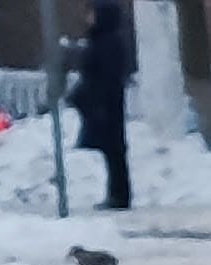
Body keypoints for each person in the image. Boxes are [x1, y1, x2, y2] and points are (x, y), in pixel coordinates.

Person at [72, 0, 132, 212]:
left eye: (92, 13)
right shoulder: (102, 39)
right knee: (112, 151)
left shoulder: (107, 42)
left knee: (114, 151)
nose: (88, 17)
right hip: (104, 102)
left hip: (106, 103)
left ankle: (119, 195)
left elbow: (105, 75)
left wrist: (97, 100)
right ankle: (116, 194)